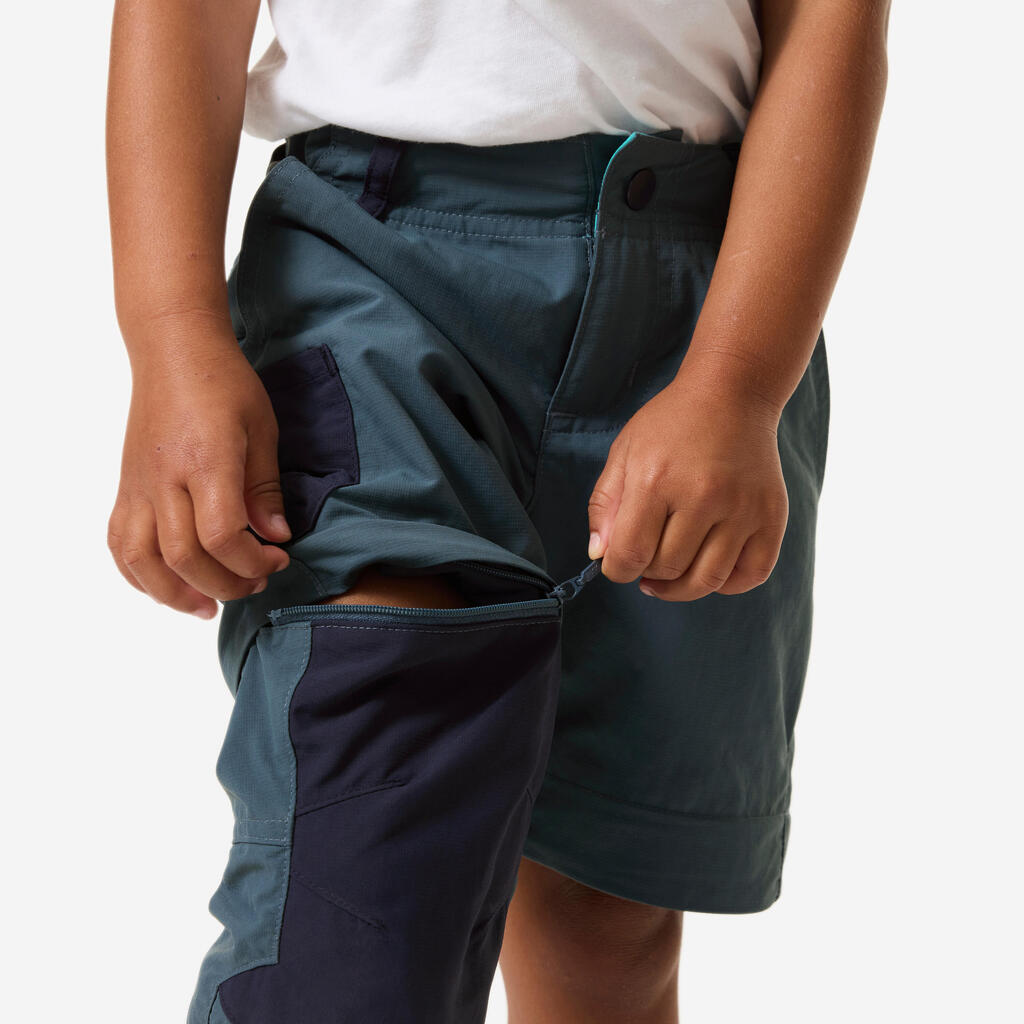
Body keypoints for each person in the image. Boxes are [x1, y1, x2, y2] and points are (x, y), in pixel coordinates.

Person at [105, 1, 890, 1021]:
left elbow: (831, 21)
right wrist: (171, 337)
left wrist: (736, 386)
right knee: (372, 802)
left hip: (710, 293)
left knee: (602, 925)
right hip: (373, 257)